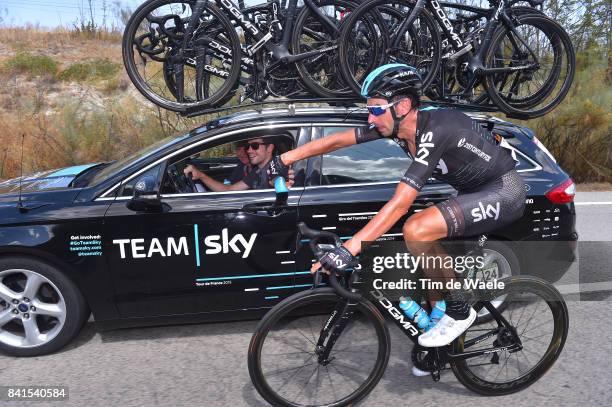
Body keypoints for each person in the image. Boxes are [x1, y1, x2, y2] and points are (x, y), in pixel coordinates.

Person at [267, 64, 525, 358]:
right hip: (471, 192)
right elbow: (339, 139)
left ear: (402, 105)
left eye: (375, 110)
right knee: (431, 275)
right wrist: (286, 158)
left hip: (504, 190)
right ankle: (440, 350)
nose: (370, 117)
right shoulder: (397, 128)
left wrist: (351, 249)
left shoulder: (434, 131)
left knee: (416, 228)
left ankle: (460, 308)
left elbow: (401, 202)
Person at [184, 137, 293, 191]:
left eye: (255, 146)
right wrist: (200, 175)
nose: (249, 151)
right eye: (247, 147)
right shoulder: (257, 172)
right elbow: (228, 190)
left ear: (269, 148)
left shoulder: (277, 167)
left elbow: (276, 179)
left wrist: (280, 181)